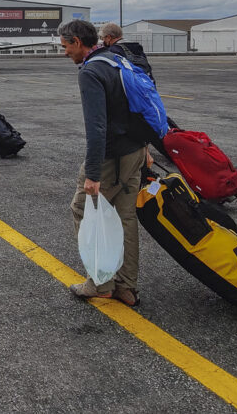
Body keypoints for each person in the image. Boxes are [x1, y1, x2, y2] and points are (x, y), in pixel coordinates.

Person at [59, 19, 148, 307]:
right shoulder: (119, 59)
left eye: (65, 46)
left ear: (77, 42)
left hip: (112, 156)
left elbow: (96, 127)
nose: (64, 52)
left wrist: (93, 174)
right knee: (126, 218)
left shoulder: (91, 71)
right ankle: (126, 286)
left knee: (82, 209)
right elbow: (142, 105)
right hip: (135, 150)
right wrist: (146, 147)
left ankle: (100, 283)